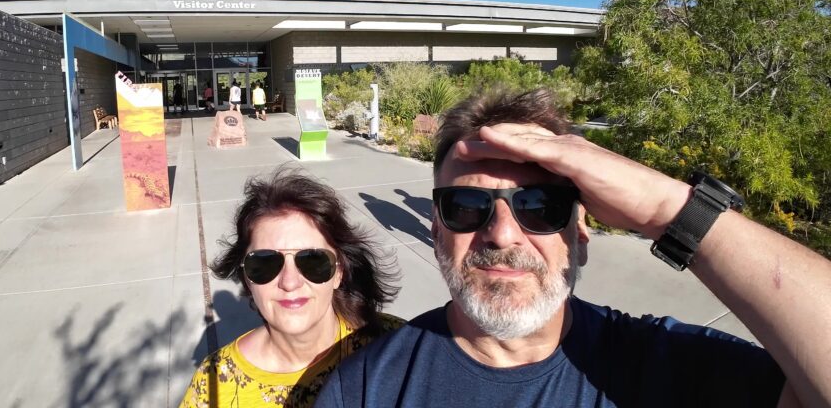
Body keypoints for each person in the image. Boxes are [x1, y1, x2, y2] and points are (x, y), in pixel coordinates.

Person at [316, 88, 831, 407]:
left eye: (540, 206)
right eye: (468, 206)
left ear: (580, 236)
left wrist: (665, 208)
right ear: (435, 231)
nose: (502, 233)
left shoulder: (673, 370)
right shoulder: (366, 389)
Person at [180, 168, 403, 408]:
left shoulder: (398, 349)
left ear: (339, 272)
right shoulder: (213, 385)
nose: (290, 282)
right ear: (246, 278)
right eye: (265, 263)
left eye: (313, 261)